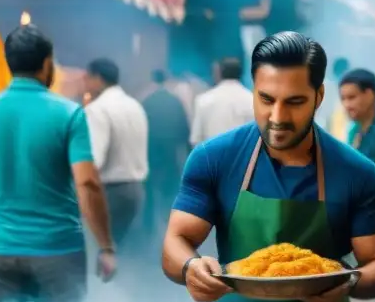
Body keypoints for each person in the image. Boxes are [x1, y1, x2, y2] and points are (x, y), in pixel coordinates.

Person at [162, 31, 375, 302]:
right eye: (266, 99)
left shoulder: (357, 172)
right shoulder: (214, 158)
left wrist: (350, 280)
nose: (278, 117)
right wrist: (190, 267)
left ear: (319, 95)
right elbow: (175, 241)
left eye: (295, 102)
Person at [0, 25, 116, 302]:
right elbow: (87, 184)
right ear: (47, 63)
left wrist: (5, 192)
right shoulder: (69, 114)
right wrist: (106, 247)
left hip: (3, 252)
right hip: (58, 250)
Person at [83, 58, 149, 247]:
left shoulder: (97, 109)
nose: (85, 84)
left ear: (97, 78)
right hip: (136, 190)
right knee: (121, 253)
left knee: (99, 252)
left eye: (87, 78)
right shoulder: (135, 105)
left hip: (109, 194)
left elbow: (93, 161)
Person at [140, 70, 190, 236]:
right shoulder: (175, 101)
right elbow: (185, 131)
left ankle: (148, 229)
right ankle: (172, 229)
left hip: (150, 155)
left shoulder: (146, 101)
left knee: (150, 194)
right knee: (171, 192)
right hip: (171, 156)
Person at [191, 57, 253, 146]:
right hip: (244, 157)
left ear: (219, 73)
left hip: (211, 156)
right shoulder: (252, 100)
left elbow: (196, 139)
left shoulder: (203, 100)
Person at [339, 68, 375, 166]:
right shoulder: (353, 129)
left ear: (370, 95)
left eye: (351, 97)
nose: (346, 105)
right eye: (343, 99)